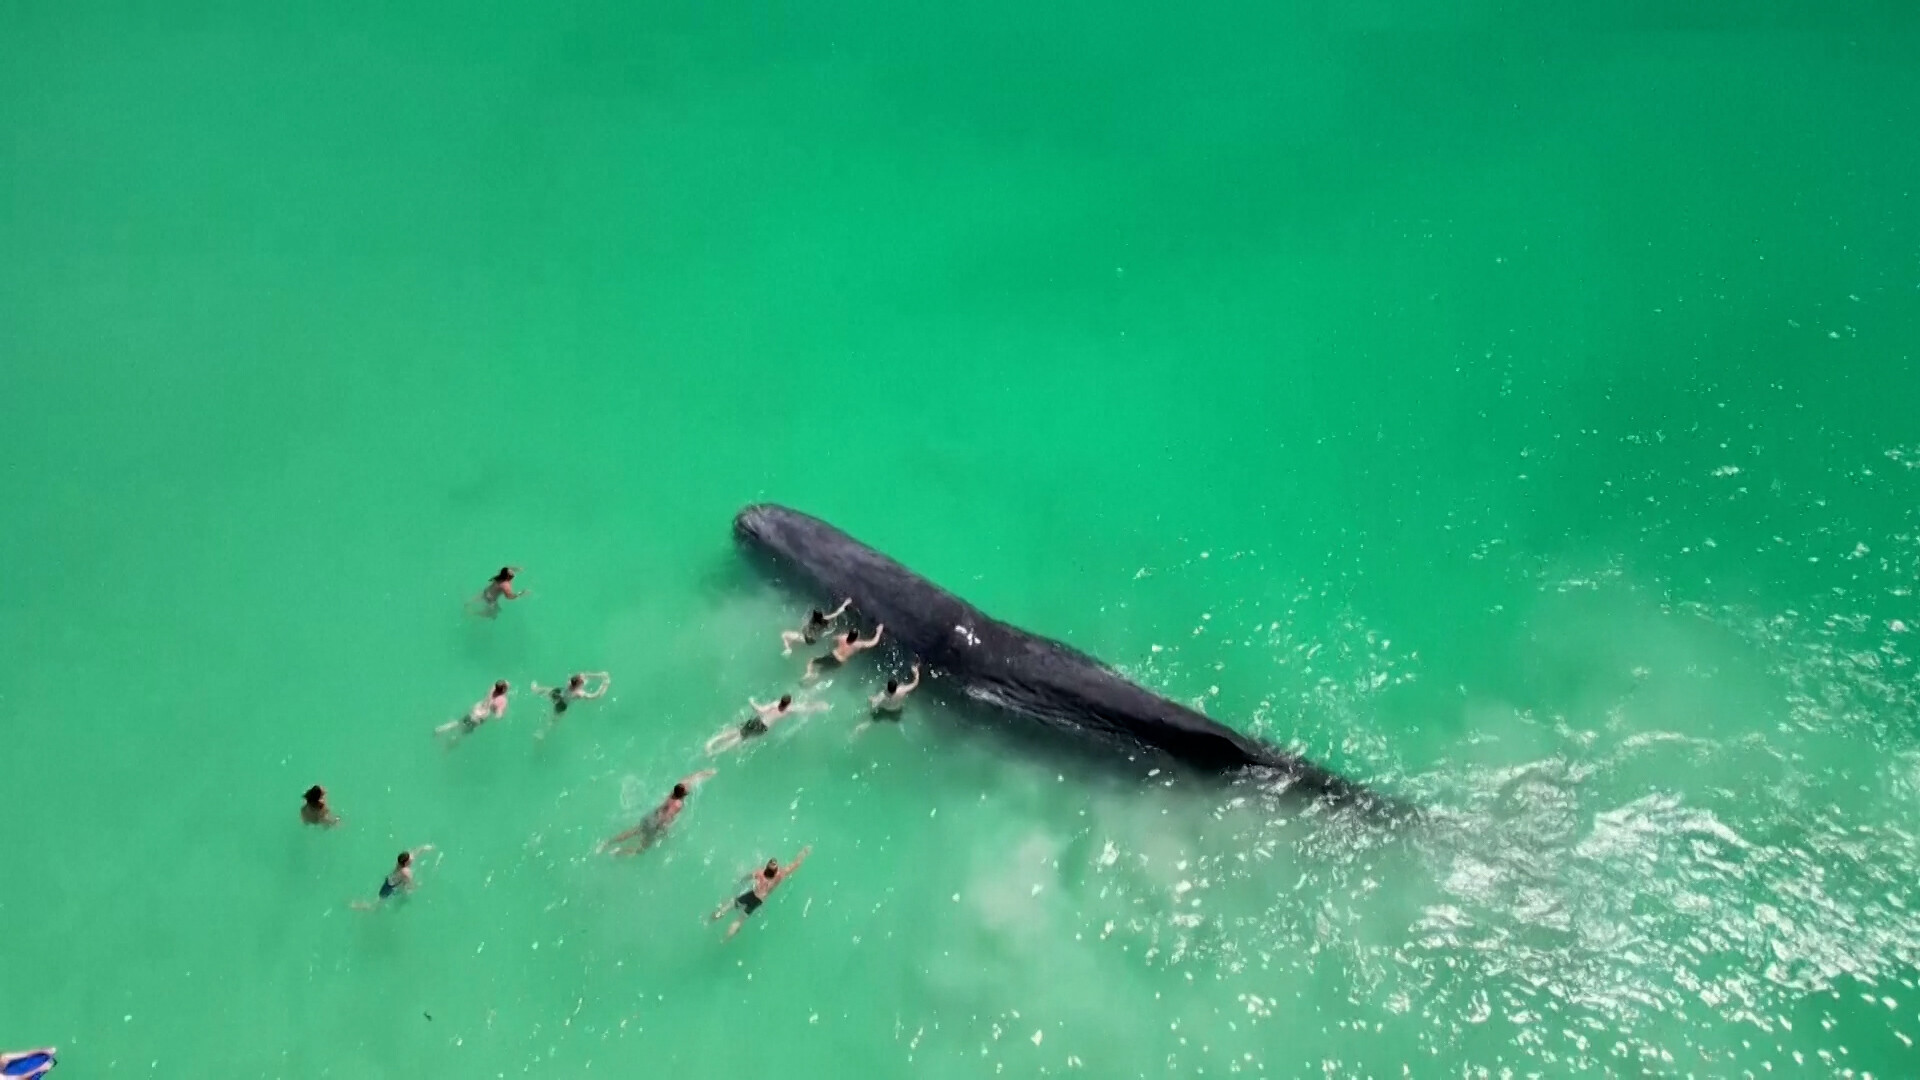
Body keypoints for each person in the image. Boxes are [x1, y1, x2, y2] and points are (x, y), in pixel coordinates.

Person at [604, 770, 716, 855]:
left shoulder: (672, 793)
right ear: (683, 794)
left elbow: (687, 780)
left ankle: (607, 843)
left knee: (635, 830)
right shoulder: (678, 804)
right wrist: (666, 831)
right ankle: (619, 852)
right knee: (643, 848)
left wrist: (705, 773)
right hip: (656, 824)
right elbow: (667, 817)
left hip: (651, 815)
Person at [710, 847, 810, 940]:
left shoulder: (760, 873)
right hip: (758, 900)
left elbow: (747, 876)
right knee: (741, 919)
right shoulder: (780, 875)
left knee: (731, 904)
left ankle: (716, 915)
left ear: (766, 868)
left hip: (751, 894)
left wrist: (741, 881)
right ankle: (725, 939)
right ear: (776, 871)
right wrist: (803, 853)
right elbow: (795, 864)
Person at [703, 694, 826, 755]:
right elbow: (803, 708)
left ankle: (712, 742)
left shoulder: (774, 705)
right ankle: (717, 751)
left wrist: (752, 702)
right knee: (740, 738)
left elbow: (760, 710)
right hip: (763, 728)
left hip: (758, 722)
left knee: (736, 731)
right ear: (788, 704)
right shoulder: (789, 710)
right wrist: (817, 706)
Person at [352, 845, 434, 910]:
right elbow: (411, 884)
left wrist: (425, 848)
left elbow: (416, 852)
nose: (412, 859)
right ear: (405, 863)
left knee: (402, 888)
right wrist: (417, 886)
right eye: (409, 860)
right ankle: (355, 906)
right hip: (389, 887)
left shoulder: (402, 863)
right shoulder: (405, 872)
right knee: (375, 907)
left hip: (392, 880)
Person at [855, 662, 923, 736]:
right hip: (896, 711)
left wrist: (871, 698)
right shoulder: (901, 691)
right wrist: (916, 673)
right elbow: (915, 684)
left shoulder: (882, 695)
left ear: (887, 687)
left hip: (885, 711)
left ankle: (859, 729)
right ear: (896, 687)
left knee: (871, 719)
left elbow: (873, 703)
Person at [803, 624, 886, 682]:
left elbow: (833, 639)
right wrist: (878, 632)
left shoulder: (842, 637)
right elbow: (873, 642)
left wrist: (836, 644)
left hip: (832, 655)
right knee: (822, 671)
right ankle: (812, 680)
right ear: (856, 637)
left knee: (812, 661)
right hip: (840, 662)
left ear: (849, 634)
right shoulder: (858, 645)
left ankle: (808, 674)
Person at [435, 680, 509, 740]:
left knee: (459, 722)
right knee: (464, 733)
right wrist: (500, 715)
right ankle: (452, 742)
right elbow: (498, 716)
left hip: (476, 709)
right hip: (480, 717)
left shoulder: (492, 688)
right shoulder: (502, 700)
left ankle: (441, 729)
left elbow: (502, 683)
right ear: (504, 689)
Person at [780, 599, 853, 655]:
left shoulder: (812, 621)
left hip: (806, 639)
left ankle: (788, 649)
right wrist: (845, 604)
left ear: (814, 615)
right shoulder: (825, 619)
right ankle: (794, 644)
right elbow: (837, 613)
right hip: (813, 640)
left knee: (784, 634)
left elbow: (805, 627)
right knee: (796, 638)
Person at [532, 671, 610, 717]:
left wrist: (600, 675)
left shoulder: (570, 681)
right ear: (579, 685)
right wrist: (605, 684)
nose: (584, 680)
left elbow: (583, 674)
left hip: (558, 692)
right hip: (562, 705)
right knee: (554, 720)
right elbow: (595, 696)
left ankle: (535, 689)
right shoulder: (579, 693)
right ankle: (542, 734)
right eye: (582, 682)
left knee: (546, 690)